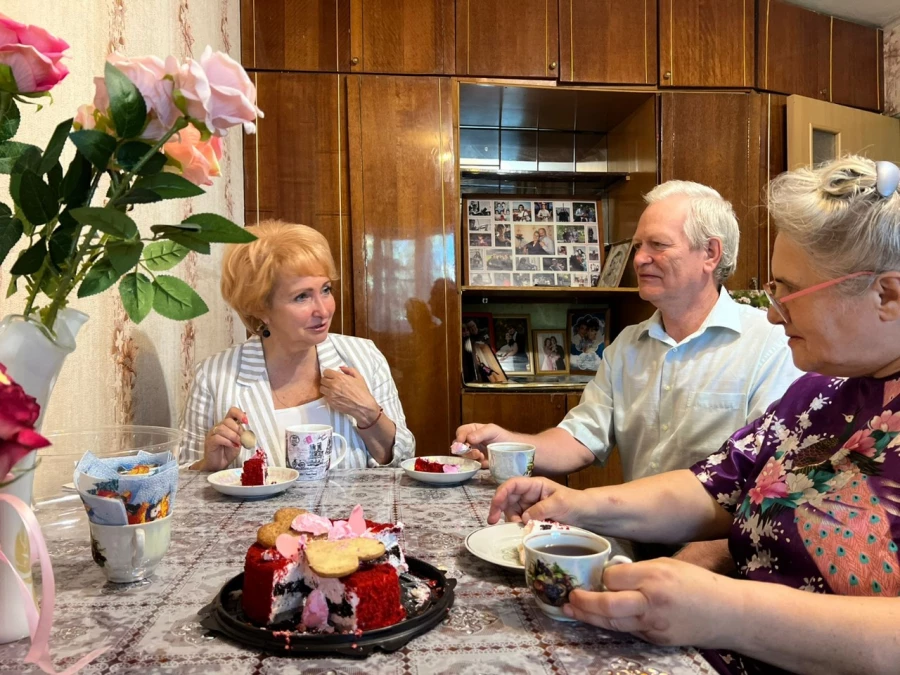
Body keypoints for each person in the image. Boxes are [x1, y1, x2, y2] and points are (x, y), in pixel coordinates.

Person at [487, 156, 900, 675]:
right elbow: (715, 484)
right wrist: (577, 504)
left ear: (887, 294)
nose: (773, 312)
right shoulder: (819, 394)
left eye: (789, 291)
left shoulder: (780, 354)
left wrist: (722, 609)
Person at [456, 180, 803, 571]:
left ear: (710, 252)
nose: (639, 259)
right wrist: (508, 442)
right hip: (631, 540)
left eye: (657, 245)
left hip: (721, 556)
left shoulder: (771, 345)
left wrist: (691, 565)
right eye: (639, 246)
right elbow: (580, 439)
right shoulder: (626, 345)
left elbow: (775, 491)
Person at [182, 220, 415, 471]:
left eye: (326, 289)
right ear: (259, 307)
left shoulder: (363, 356)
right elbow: (183, 480)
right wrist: (209, 465)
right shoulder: (214, 377)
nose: (324, 310)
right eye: (302, 296)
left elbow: (402, 464)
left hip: (351, 511)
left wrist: (369, 414)